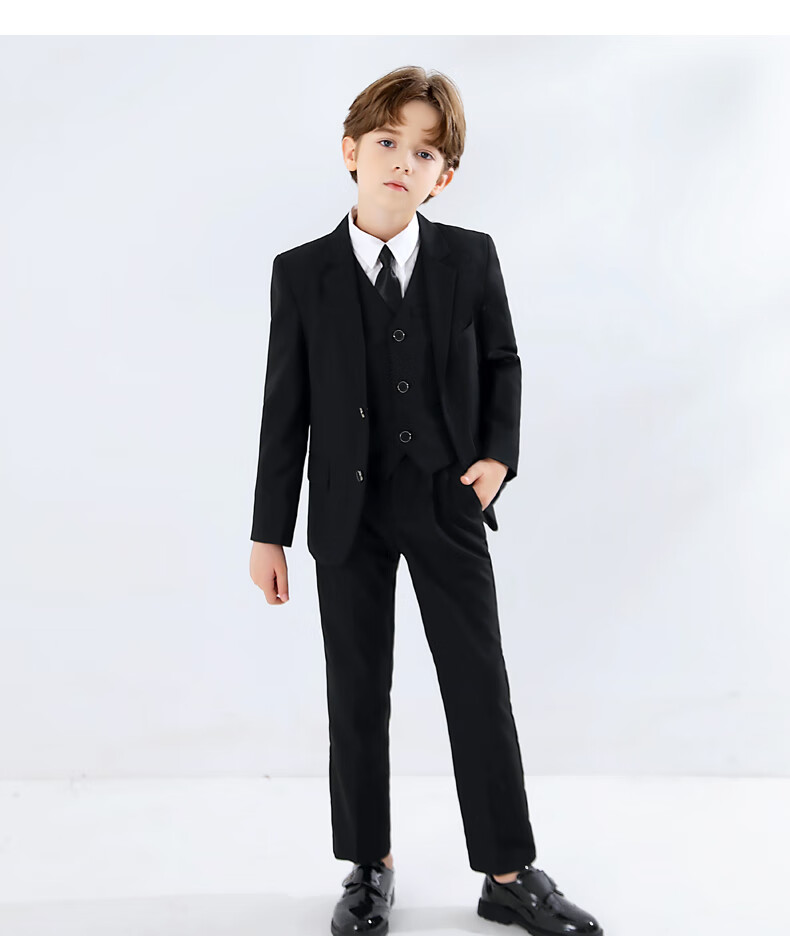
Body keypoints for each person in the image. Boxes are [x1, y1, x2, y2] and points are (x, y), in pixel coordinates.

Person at [249, 65, 604, 936]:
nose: (402, 162)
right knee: (356, 689)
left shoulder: (469, 258)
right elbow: (284, 405)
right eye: (386, 143)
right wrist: (268, 532)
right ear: (351, 151)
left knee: (478, 683)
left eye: (424, 153)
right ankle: (368, 866)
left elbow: (503, 362)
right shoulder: (302, 273)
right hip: (348, 512)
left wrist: (497, 459)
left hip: (446, 499)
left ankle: (508, 873)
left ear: (444, 176)